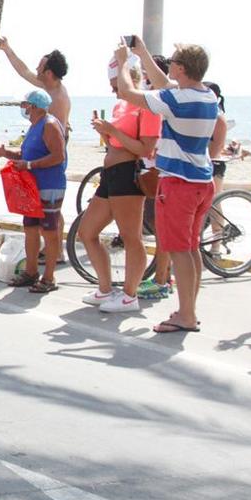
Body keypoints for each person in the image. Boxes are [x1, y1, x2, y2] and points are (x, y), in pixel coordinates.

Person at [113, 37, 218, 335]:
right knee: (191, 248)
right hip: (201, 181)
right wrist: (142, 52)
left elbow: (127, 91)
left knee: (179, 250)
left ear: (181, 68)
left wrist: (124, 62)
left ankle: (186, 315)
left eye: (172, 62)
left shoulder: (178, 100)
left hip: (179, 185)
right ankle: (189, 310)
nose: (168, 65)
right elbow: (167, 85)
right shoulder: (205, 95)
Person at [79, 56, 160, 313]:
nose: (114, 90)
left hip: (129, 174)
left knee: (130, 237)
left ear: (131, 79)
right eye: (112, 85)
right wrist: (105, 133)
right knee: (87, 231)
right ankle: (105, 289)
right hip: (110, 173)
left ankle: (129, 295)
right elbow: (117, 142)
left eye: (116, 84)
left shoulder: (146, 105)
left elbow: (145, 149)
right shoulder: (120, 107)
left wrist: (113, 132)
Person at [0, 88, 66, 293]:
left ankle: (49, 277)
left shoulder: (49, 125)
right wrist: (6, 153)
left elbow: (58, 156)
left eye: (24, 105)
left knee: (49, 232)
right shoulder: (35, 125)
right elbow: (25, 153)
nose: (22, 108)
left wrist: (30, 165)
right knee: (30, 229)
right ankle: (31, 271)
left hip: (49, 185)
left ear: (34, 106)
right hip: (32, 186)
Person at [0, 38, 71, 128]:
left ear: (48, 73)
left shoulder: (59, 99)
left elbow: (58, 135)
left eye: (40, 67)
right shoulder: (48, 83)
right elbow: (24, 72)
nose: (36, 69)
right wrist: (6, 48)